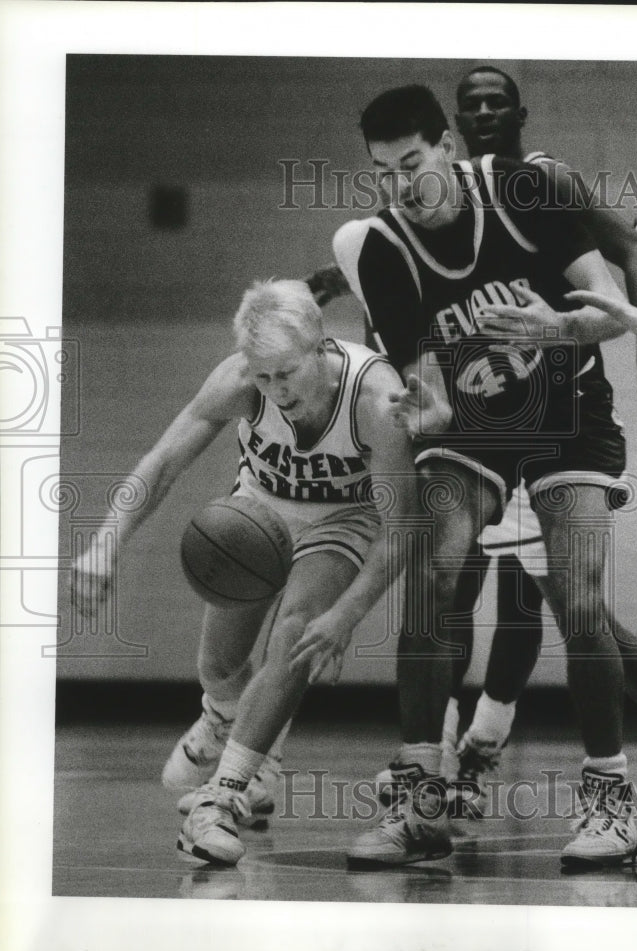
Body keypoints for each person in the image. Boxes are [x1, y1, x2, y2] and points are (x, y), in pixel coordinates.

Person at [322, 67, 637, 816]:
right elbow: (421, 368)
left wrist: (572, 331)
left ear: (447, 146)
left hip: (562, 411)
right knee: (437, 579)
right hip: (475, 426)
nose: (401, 186)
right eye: (384, 173)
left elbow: (619, 298)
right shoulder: (373, 244)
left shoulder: (529, 186)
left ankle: (603, 782)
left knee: (579, 607)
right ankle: (430, 776)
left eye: (414, 165)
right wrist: (425, 408)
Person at [72, 279, 418, 865]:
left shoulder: (373, 397)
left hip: (344, 517)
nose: (274, 388)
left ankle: (223, 797)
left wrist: (346, 615)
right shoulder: (240, 379)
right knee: (219, 665)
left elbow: (404, 527)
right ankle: (232, 727)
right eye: (262, 375)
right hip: (258, 509)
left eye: (286, 372)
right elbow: (162, 462)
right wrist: (106, 542)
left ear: (320, 347)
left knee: (296, 630)